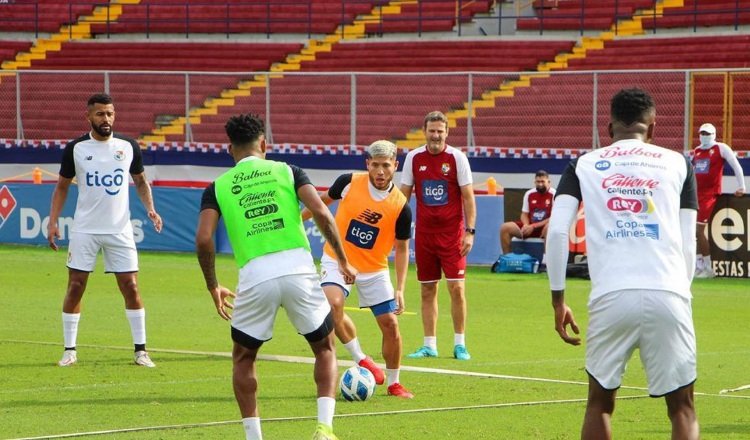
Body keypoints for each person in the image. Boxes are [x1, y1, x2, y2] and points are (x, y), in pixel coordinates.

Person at [546, 88, 699, 439]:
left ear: (608, 128)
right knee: (683, 409)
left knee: (599, 403)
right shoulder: (679, 163)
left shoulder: (583, 164)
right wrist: (682, 293)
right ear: (654, 128)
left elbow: (556, 234)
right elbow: (688, 240)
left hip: (611, 296)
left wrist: (558, 299)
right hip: (670, 293)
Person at [195, 113, 356, 440]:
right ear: (264, 144)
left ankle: (254, 437)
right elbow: (323, 213)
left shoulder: (218, 187)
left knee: (243, 357)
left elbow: (203, 238)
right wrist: (342, 260)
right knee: (325, 347)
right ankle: (324, 428)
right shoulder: (287, 170)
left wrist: (213, 284)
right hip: (298, 268)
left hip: (255, 275)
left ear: (230, 150)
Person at [47, 93, 163, 368]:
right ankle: (69, 350)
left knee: (131, 287)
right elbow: (62, 186)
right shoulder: (76, 148)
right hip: (85, 230)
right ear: (88, 116)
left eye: (110, 113)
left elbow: (141, 181)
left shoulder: (128, 146)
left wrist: (151, 208)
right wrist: (53, 221)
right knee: (75, 286)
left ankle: (141, 351)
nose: (106, 119)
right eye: (100, 114)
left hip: (119, 231)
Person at [302, 140, 414, 399]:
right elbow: (320, 205)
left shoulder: (401, 206)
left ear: (395, 166)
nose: (380, 171)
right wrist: (295, 221)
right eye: (375, 165)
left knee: (391, 325)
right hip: (337, 259)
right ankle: (361, 359)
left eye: (386, 165)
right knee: (332, 305)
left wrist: (400, 289)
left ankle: (394, 383)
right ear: (367, 164)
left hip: (374, 269)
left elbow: (403, 249)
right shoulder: (348, 182)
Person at [399, 110, 476, 361]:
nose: (435, 135)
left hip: (452, 236)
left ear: (447, 132)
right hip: (424, 236)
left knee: (457, 289)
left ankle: (460, 344)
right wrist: (395, 226)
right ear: (425, 131)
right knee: (427, 290)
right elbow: (403, 197)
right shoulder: (413, 158)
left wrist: (470, 232)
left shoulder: (457, 158)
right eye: (431, 131)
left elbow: (468, 197)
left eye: (440, 131)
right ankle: (429, 344)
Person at [692, 122, 746, 278]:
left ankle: (708, 268)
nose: (705, 136)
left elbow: (736, 166)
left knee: (698, 230)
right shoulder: (696, 151)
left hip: (709, 195)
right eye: (702, 133)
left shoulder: (720, 148)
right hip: (696, 194)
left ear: (714, 134)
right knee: (692, 232)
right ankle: (699, 265)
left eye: (708, 133)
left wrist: (741, 186)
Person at [498, 169, 555, 264]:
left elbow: (553, 217)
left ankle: (545, 261)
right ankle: (507, 259)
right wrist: (526, 225)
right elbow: (524, 213)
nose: (540, 184)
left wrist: (533, 226)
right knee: (505, 227)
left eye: (542, 182)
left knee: (550, 227)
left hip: (543, 228)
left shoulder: (554, 194)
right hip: (529, 226)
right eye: (538, 182)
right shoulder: (529, 194)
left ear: (548, 182)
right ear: (534, 182)